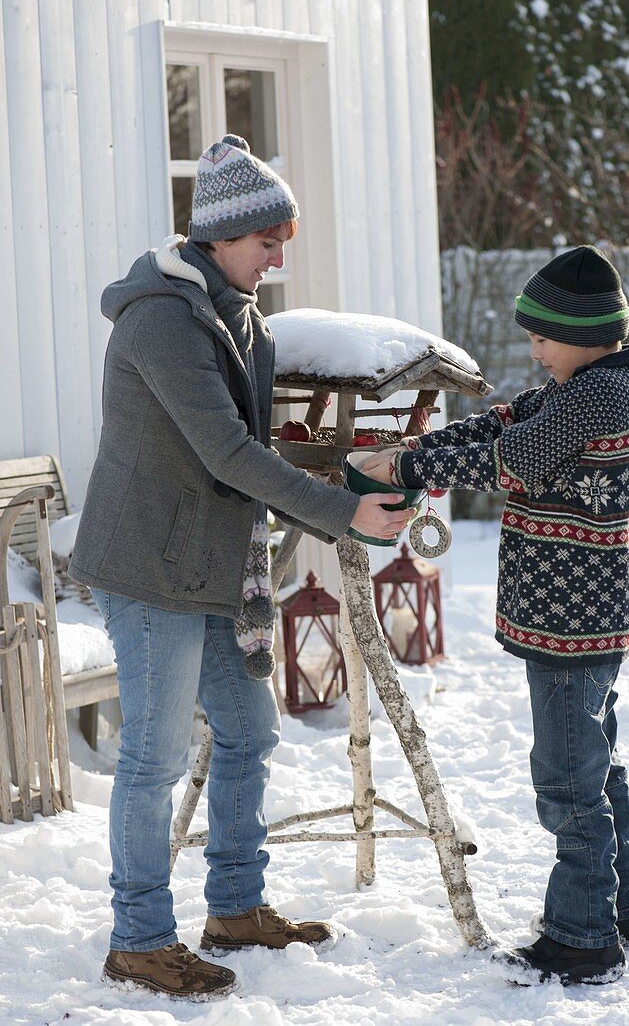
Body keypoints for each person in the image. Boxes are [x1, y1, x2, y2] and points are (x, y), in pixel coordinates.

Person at [69, 134, 415, 1002]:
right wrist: (343, 513)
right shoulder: (160, 318)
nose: (280, 253)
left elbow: (257, 441)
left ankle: (234, 906)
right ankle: (140, 939)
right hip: (152, 565)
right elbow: (225, 450)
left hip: (218, 566)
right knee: (150, 758)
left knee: (250, 731)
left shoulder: (240, 315)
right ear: (221, 237)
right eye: (269, 239)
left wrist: (354, 469)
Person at [363, 245, 629, 986]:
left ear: (586, 333)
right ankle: (621, 911)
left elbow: (513, 459)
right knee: (597, 761)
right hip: (582, 615)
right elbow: (497, 425)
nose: (534, 350)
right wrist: (417, 447)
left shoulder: (598, 397)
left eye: (542, 337)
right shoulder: (584, 386)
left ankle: (582, 935)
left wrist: (401, 470)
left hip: (574, 623)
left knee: (567, 778)